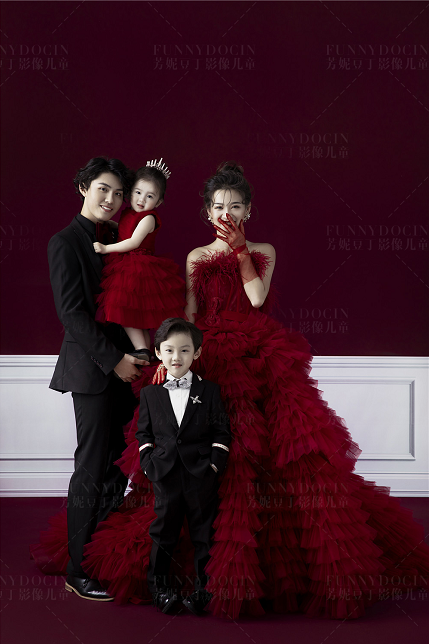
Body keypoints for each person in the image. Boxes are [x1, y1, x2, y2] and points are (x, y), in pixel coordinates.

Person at [32, 162, 429, 620]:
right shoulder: (189, 255)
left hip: (254, 354)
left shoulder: (262, 250)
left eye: (235, 206)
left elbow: (257, 299)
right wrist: (171, 360)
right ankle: (92, 564)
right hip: (193, 356)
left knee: (265, 454)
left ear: (248, 210)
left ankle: (247, 571)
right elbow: (187, 315)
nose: (226, 213)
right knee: (148, 457)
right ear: (206, 212)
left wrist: (241, 253)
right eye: (218, 207)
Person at [31, 157, 146, 601]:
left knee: (121, 465)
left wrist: (141, 353)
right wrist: (114, 360)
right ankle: (78, 570)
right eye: (103, 189)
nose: (111, 200)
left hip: (128, 366)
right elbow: (72, 315)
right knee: (92, 466)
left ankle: (101, 557)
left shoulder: (120, 237)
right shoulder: (64, 242)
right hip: (94, 369)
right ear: (83, 187)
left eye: (118, 193)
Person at [136, 318, 231, 615]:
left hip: (201, 475)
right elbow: (144, 435)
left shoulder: (210, 390)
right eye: (169, 350)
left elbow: (221, 433)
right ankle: (159, 590)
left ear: (197, 353)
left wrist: (213, 466)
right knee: (163, 533)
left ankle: (203, 591)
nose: (176, 357)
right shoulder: (150, 394)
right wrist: (148, 465)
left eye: (185, 350)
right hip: (164, 475)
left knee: (203, 534)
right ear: (158, 352)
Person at [93, 159, 186, 362]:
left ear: (158, 202)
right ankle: (144, 350)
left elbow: (134, 241)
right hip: (129, 264)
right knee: (134, 313)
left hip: (137, 265)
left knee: (122, 307)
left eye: (150, 196)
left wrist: (106, 248)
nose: (142, 199)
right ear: (130, 192)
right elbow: (126, 229)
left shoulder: (148, 218)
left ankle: (141, 347)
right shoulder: (130, 213)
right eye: (138, 192)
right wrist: (112, 224)